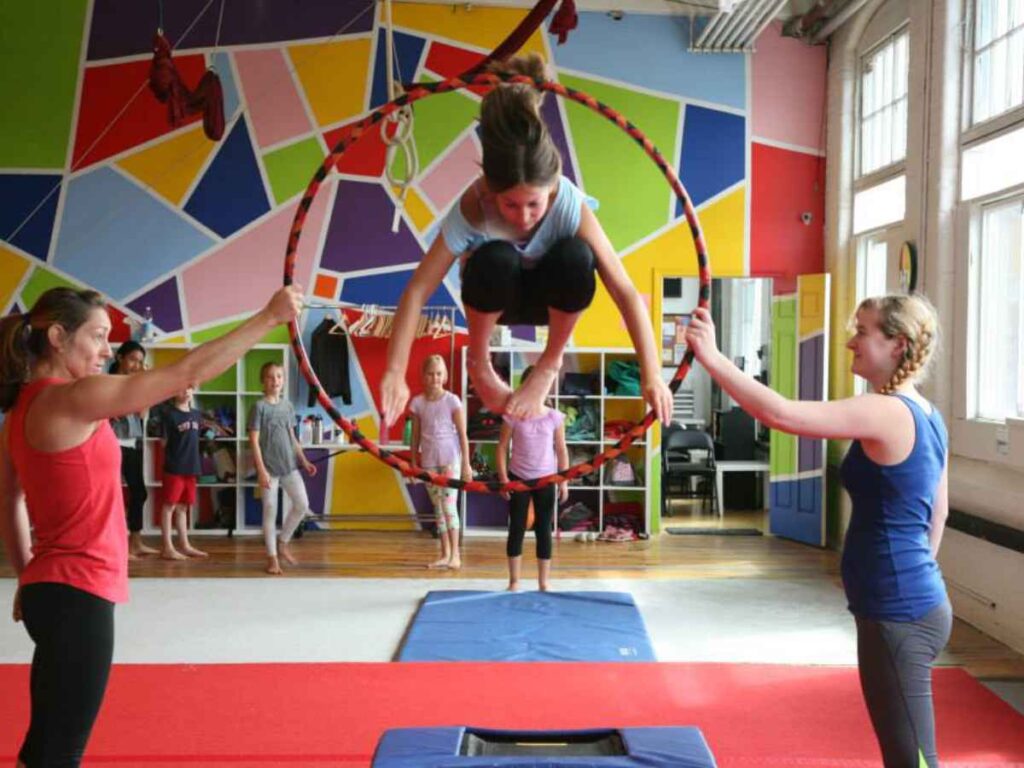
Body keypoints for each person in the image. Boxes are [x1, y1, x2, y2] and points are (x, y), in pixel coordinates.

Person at [0, 284, 302, 767]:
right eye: (98, 336)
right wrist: (268, 317)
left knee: (46, 744)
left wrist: (26, 575)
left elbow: (9, 500)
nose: (107, 351)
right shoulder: (74, 398)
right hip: (78, 594)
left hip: (51, 590)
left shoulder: (20, 411)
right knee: (57, 752)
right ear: (57, 336)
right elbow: (185, 372)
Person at [684, 294, 950, 768]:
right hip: (909, 601)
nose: (850, 342)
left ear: (897, 344)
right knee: (903, 753)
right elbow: (938, 515)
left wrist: (714, 358)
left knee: (912, 759)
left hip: (899, 610)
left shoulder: (886, 410)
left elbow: (782, 415)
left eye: (863, 331)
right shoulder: (928, 415)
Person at [380, 53, 672, 431]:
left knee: (576, 255)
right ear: (491, 190)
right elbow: (417, 290)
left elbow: (626, 292)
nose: (523, 216)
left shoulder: (567, 203)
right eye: (510, 205)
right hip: (496, 301)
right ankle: (480, 363)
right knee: (496, 256)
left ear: (550, 188)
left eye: (533, 203)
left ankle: (549, 365)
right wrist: (393, 370)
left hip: (554, 302)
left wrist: (651, 375)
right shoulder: (474, 206)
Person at [496, 365, 569, 591]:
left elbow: (561, 449)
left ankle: (543, 582)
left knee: (543, 529)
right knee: (517, 527)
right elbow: (501, 448)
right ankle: (514, 580)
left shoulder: (554, 417)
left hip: (546, 479)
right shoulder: (513, 416)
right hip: (519, 478)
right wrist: (503, 479)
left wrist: (563, 480)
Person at [248, 361, 317, 575]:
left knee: (302, 504)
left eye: (278, 376)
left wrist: (303, 460)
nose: (275, 381)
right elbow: (254, 440)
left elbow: (292, 437)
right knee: (269, 510)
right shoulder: (259, 407)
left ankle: (283, 541)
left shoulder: (287, 406)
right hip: (268, 469)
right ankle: (272, 558)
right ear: (263, 381)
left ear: (283, 380)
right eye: (270, 377)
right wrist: (261, 470)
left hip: (289, 467)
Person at [408, 354, 471, 569]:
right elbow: (415, 437)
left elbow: (463, 434)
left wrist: (466, 465)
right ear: (423, 376)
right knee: (438, 509)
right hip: (429, 461)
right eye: (431, 374)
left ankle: (455, 555)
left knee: (448, 505)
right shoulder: (417, 403)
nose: (435, 378)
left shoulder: (452, 400)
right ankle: (444, 553)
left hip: (449, 460)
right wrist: (414, 464)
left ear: (444, 376)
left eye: (439, 374)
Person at [109, 340, 158, 559]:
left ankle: (135, 542)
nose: (136, 365)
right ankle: (116, 545)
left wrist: (145, 383)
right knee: (111, 496)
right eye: (132, 360)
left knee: (139, 492)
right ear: (119, 358)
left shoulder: (136, 383)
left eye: (140, 362)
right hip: (112, 442)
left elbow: (141, 412)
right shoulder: (108, 382)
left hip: (133, 442)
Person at [158, 386, 208, 561]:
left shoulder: (196, 414)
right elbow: (164, 442)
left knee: (183, 507)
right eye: (181, 388)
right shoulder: (169, 414)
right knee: (169, 506)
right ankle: (167, 547)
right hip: (174, 468)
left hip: (191, 468)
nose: (186, 391)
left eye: (189, 388)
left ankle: (184, 545)